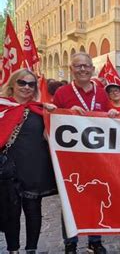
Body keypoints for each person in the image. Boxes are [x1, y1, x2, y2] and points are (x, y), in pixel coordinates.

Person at [53, 52, 117, 254]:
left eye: (86, 66)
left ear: (92, 69)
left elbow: (107, 117)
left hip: (96, 158)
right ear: (71, 69)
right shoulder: (62, 93)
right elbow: (52, 118)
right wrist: (65, 112)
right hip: (70, 160)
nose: (82, 69)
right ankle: (70, 243)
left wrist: (113, 114)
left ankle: (95, 240)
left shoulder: (100, 92)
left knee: (95, 198)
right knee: (69, 201)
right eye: (78, 66)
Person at [0, 69, 57, 254]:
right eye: (22, 83)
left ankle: (31, 249)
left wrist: (54, 116)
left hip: (34, 169)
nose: (26, 87)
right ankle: (13, 250)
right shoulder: (2, 107)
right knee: (11, 213)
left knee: (33, 212)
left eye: (31, 84)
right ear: (12, 84)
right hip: (9, 170)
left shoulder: (42, 110)